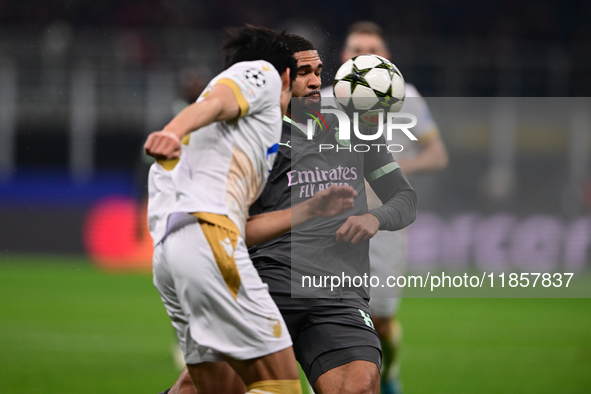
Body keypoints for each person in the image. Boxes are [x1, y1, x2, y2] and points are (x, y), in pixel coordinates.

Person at [164, 32, 418, 394]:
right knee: (202, 389)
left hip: (338, 295)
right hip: (264, 291)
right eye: (303, 73)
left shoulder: (353, 127)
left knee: (359, 387)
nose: (316, 81)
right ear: (280, 78)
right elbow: (231, 227)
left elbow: (404, 198)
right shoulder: (248, 139)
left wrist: (374, 218)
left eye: (318, 71)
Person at [144, 25, 303, 394]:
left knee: (215, 390)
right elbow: (216, 102)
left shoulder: (228, 135)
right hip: (209, 239)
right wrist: (171, 130)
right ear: (285, 76)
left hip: (172, 254)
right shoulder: (262, 73)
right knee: (280, 385)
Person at [323, 21, 449, 394]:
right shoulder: (324, 99)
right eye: (355, 50)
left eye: (371, 50)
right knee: (330, 319)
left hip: (383, 228)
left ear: (387, 59)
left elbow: (437, 154)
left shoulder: (407, 96)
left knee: (380, 320)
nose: (363, 56)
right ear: (343, 58)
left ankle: (389, 372)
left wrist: (389, 172)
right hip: (331, 226)